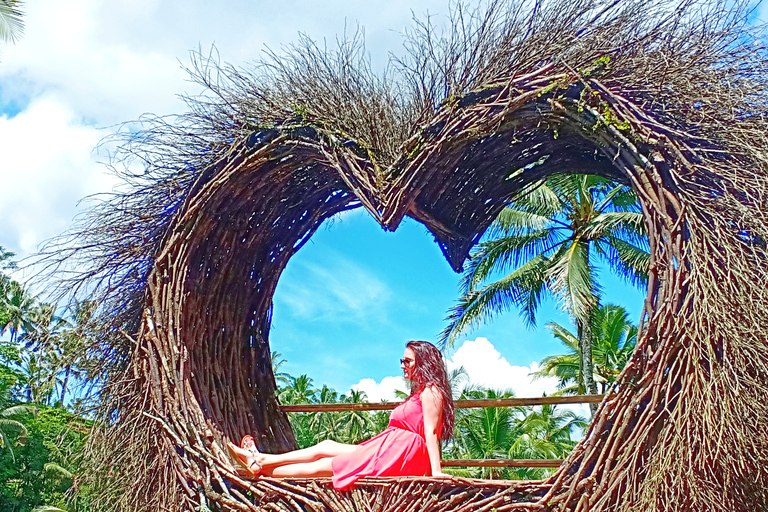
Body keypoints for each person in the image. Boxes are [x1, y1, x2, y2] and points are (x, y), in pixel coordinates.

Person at [227, 340, 455, 489]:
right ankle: (262, 460)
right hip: (387, 448)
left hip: (398, 455)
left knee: (327, 464)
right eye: (401, 360)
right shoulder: (421, 392)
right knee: (325, 445)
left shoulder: (432, 392)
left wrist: (435, 472)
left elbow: (431, 432)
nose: (402, 365)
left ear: (423, 363)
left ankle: (263, 471)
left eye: (407, 361)